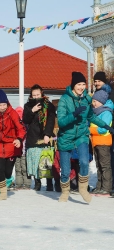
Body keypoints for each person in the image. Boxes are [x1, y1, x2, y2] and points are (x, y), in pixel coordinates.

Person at [57, 72, 114, 203]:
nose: (81, 87)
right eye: (79, 84)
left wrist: (106, 126)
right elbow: (60, 122)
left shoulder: (86, 99)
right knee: (65, 170)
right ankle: (65, 192)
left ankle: (83, 188)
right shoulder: (64, 99)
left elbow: (91, 117)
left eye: (83, 84)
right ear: (73, 85)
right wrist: (74, 114)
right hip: (66, 136)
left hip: (81, 136)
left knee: (84, 161)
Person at [0, 89, 26, 200]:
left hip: (11, 145)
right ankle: (3, 193)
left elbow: (21, 128)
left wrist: (19, 139)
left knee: (8, 172)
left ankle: (7, 180)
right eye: (0, 105)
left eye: (4, 104)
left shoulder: (12, 113)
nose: (3, 107)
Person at [23, 84, 56, 191]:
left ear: (42, 93)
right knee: (35, 162)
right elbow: (25, 120)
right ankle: (37, 182)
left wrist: (47, 134)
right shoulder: (28, 106)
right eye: (34, 95)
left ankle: (49, 183)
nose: (37, 97)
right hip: (33, 137)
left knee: (46, 161)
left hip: (44, 137)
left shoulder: (48, 105)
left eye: (38, 94)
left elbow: (51, 121)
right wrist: (32, 111)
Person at [90, 90, 113, 195]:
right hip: (96, 143)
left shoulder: (106, 113)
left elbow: (103, 129)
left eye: (95, 101)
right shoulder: (96, 113)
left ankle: (107, 188)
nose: (93, 103)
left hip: (104, 143)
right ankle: (99, 186)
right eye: (93, 101)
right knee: (98, 166)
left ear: (101, 101)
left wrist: (90, 130)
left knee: (105, 166)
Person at [14, 106, 31, 189]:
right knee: (18, 168)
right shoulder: (14, 126)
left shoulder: (26, 126)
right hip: (16, 151)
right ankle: (19, 183)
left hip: (24, 150)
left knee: (25, 168)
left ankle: (27, 183)